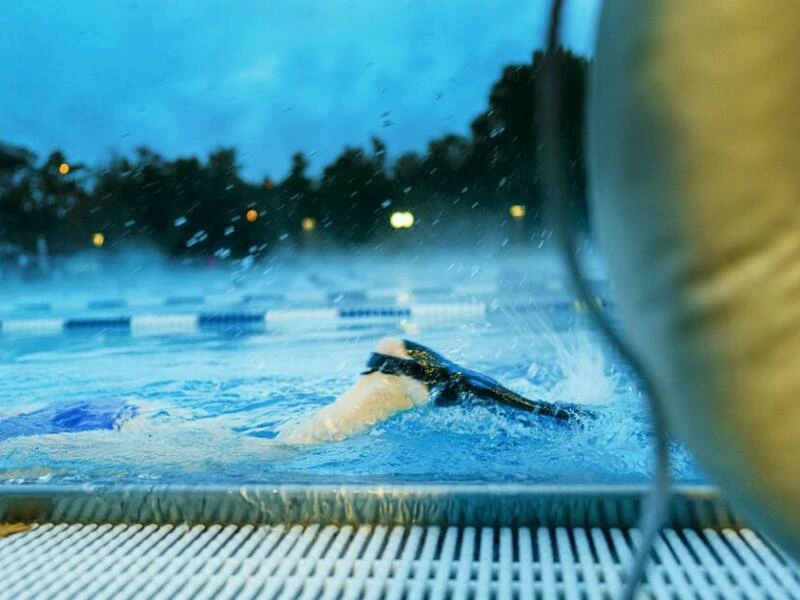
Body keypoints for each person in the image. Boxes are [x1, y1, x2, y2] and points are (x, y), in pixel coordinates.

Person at [279, 337, 594, 444]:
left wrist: (539, 409)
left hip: (401, 368)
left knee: (298, 444)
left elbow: (468, 382)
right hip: (400, 363)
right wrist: (539, 409)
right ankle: (546, 410)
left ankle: (545, 410)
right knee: (301, 441)